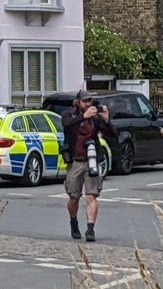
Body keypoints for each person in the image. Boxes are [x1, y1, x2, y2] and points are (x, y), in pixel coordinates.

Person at [62, 90, 117, 242]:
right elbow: (66, 125)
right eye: (84, 101)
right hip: (75, 161)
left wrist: (106, 120)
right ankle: (73, 222)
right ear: (78, 102)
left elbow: (113, 134)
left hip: (92, 160)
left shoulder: (95, 119)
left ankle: (90, 229)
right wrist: (82, 117)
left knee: (91, 196)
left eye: (90, 101)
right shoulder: (69, 115)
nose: (88, 104)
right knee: (74, 197)